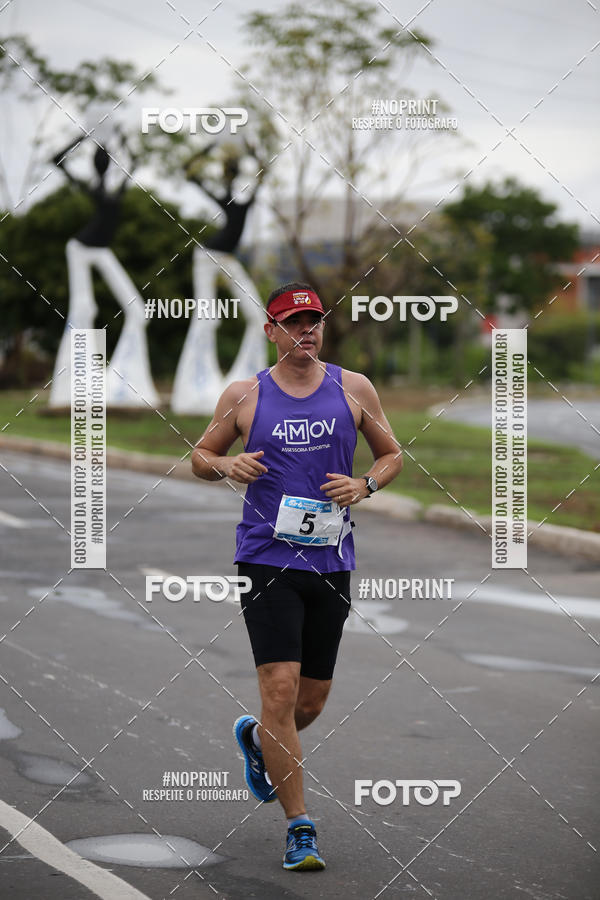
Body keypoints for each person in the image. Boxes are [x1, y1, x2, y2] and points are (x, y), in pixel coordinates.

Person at [191, 282, 403, 870]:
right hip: (265, 558)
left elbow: (392, 454)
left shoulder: (352, 387)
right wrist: (225, 463)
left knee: (308, 704)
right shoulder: (245, 395)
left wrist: (367, 485)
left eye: (313, 322)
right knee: (279, 693)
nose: (305, 331)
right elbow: (200, 457)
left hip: (331, 561)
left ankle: (259, 740)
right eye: (292, 323)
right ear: (271, 332)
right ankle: (300, 826)